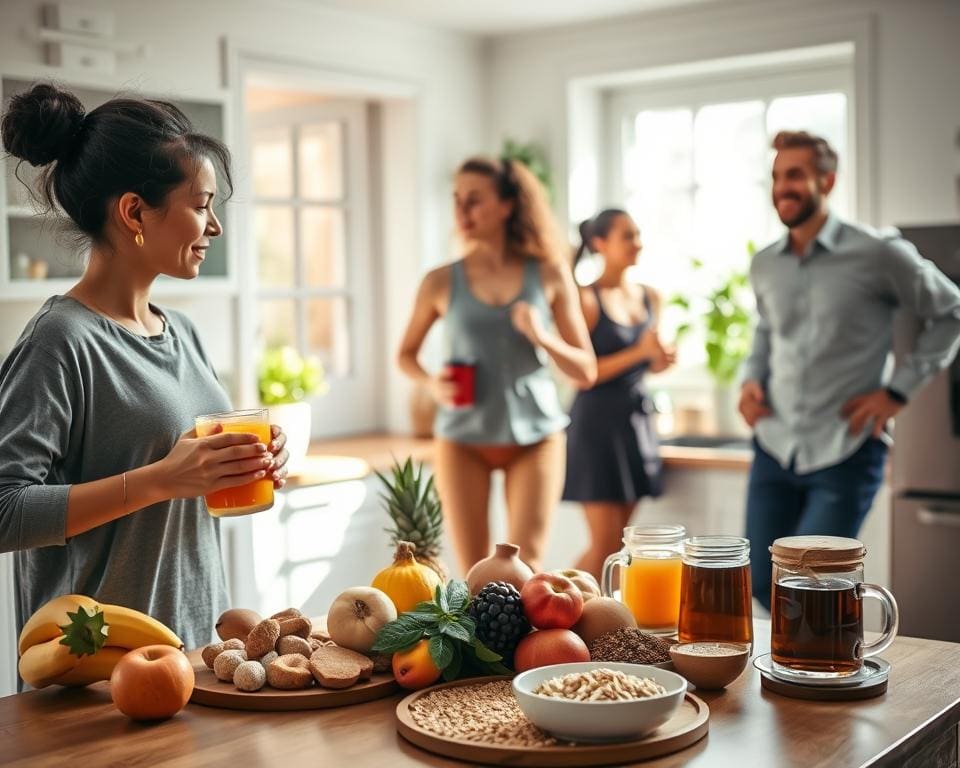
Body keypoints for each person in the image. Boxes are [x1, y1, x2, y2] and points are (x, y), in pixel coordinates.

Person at [0, 84, 291, 652]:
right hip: (92, 675)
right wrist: (161, 479)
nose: (215, 227)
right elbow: (4, 508)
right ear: (134, 211)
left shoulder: (183, 332)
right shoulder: (60, 341)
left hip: (198, 652)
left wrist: (242, 462)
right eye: (202, 205)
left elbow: (186, 475)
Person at [740, 130, 960, 610]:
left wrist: (897, 392)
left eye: (795, 175)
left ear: (828, 180)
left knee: (809, 591)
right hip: (774, 446)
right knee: (758, 583)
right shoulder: (765, 264)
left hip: (846, 450)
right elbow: (765, 330)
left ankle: (823, 680)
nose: (783, 187)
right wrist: (750, 379)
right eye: (777, 176)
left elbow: (951, 312)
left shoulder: (878, 253)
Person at [397, 156, 597, 575]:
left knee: (526, 569)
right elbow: (406, 355)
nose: (461, 211)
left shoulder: (548, 272)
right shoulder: (439, 280)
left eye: (475, 200)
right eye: (457, 200)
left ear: (507, 205)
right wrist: (432, 383)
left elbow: (586, 370)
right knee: (474, 573)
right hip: (462, 440)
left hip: (536, 437)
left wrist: (542, 336)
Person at [562, 210, 676, 580]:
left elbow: (646, 361)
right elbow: (582, 374)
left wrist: (659, 360)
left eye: (638, 234)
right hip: (596, 428)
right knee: (605, 545)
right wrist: (640, 353)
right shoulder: (586, 300)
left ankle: (575, 616)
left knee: (619, 547)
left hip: (635, 423)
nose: (637, 243)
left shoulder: (650, 297)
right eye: (627, 236)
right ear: (599, 244)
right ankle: (547, 609)